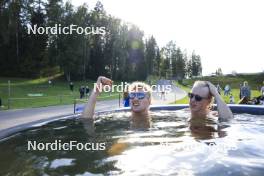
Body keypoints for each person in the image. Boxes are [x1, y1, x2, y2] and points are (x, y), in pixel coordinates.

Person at [81, 76, 152, 129]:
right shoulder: (120, 117)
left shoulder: (158, 118)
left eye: (140, 95)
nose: (135, 98)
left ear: (149, 100)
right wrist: (96, 92)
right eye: (132, 95)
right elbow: (86, 120)